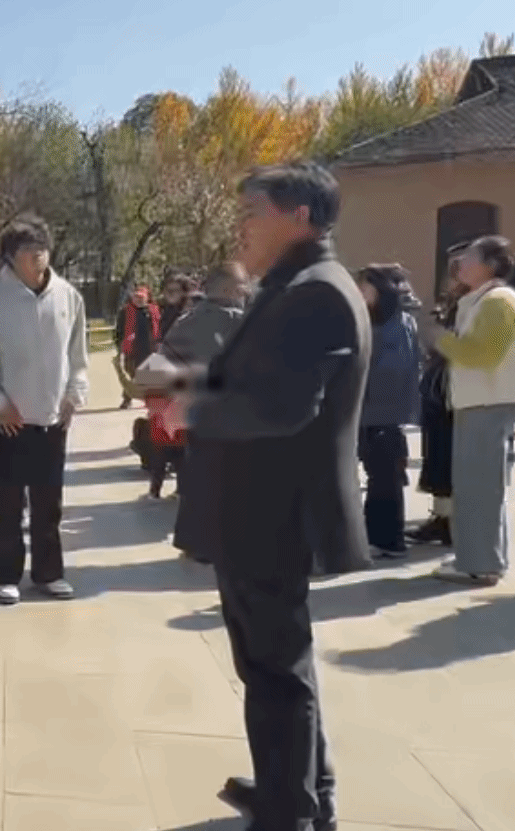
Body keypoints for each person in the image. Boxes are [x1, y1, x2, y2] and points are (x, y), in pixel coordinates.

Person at [140, 161, 369, 831]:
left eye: (251, 212)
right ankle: (298, 787)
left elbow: (280, 407)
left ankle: (288, 810)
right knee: (276, 663)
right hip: (261, 508)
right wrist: (192, 389)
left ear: (299, 215)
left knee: (275, 670)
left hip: (272, 512)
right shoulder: (295, 286)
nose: (240, 226)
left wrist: (191, 411)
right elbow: (255, 379)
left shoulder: (315, 293)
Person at [0, 222, 88, 604]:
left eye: (42, 248)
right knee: (7, 503)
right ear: (10, 258)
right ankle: (5, 575)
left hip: (52, 418)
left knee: (49, 504)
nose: (38, 255)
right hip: (10, 421)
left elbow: (78, 355)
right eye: (28, 249)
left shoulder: (68, 296)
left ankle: (49, 573)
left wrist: (74, 396)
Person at [414, 236, 515, 587]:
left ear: (490, 266)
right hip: (480, 402)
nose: (460, 265)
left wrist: (440, 338)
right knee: (476, 485)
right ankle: (481, 557)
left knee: (479, 488)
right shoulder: (482, 300)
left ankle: (479, 564)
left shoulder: (497, 302)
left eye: (469, 258)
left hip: (489, 403)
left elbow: (483, 356)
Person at [159, 262, 249, 561]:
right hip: (235, 415)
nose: (246, 290)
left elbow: (162, 366)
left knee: (199, 478)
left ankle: (194, 542)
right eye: (243, 285)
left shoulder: (188, 320)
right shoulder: (243, 321)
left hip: (199, 415)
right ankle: (220, 542)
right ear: (230, 288)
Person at [353, 265, 421, 560]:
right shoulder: (377, 321)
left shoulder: (396, 323)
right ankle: (376, 536)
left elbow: (391, 373)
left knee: (385, 479)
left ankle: (388, 540)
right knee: (379, 476)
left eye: (364, 286)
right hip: (371, 413)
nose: (359, 292)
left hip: (383, 414)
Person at [408, 257, 464, 548]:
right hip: (438, 388)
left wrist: (439, 338)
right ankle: (441, 516)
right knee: (437, 454)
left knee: (445, 455)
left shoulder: (469, 307)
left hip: (450, 390)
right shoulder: (452, 306)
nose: (448, 282)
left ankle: (449, 521)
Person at [114, 285, 160, 409]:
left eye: (141, 297)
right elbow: (119, 330)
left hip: (149, 348)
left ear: (147, 298)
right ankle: (127, 398)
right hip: (132, 349)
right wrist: (119, 345)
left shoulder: (153, 311)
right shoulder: (125, 311)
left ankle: (148, 399)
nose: (139, 299)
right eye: (136, 297)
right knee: (132, 376)